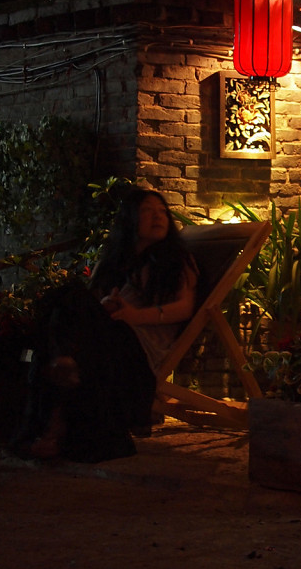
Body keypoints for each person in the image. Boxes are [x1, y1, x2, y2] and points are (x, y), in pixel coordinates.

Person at [12, 188, 197, 463]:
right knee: (65, 303)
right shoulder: (112, 262)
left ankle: (60, 377)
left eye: (162, 211)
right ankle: (61, 385)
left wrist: (136, 316)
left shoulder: (175, 261)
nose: (157, 216)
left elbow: (185, 307)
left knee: (68, 298)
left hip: (137, 351)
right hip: (106, 339)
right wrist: (106, 306)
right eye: (147, 210)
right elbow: (89, 309)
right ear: (130, 218)